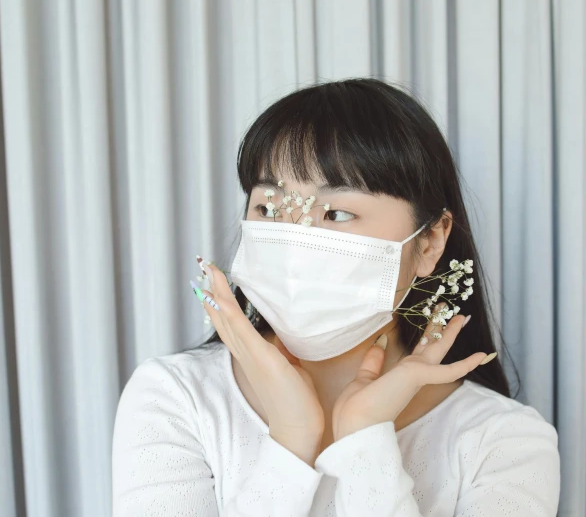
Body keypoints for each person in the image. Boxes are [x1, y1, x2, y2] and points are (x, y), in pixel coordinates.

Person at [111, 78, 561, 516]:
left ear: (430, 242)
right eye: (268, 208)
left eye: (337, 212)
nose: (294, 240)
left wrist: (365, 443)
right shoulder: (175, 398)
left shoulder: (504, 441)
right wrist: (291, 437)